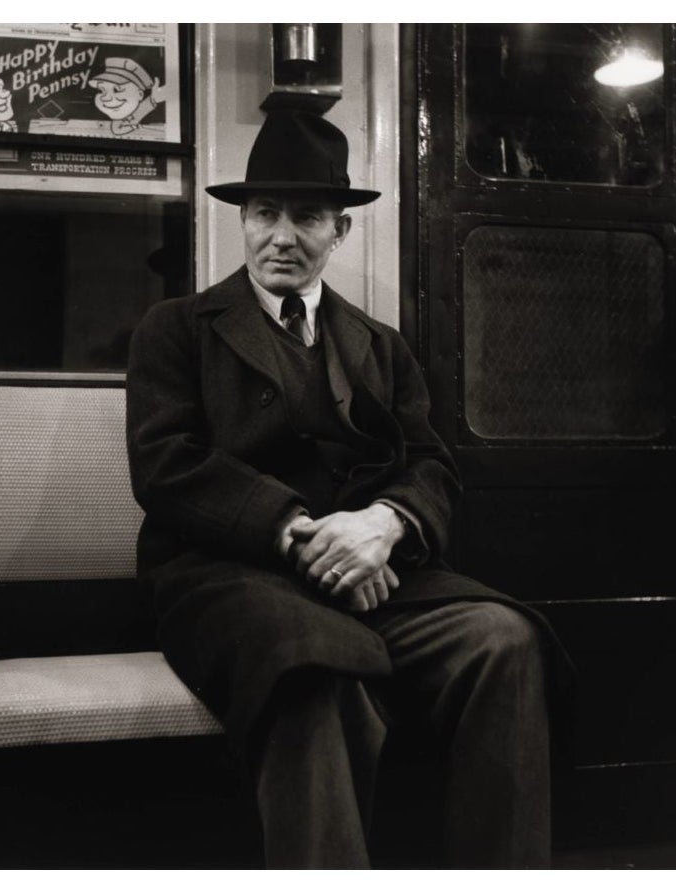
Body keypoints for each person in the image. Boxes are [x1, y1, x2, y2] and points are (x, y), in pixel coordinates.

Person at [126, 110, 571, 869]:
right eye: (265, 214)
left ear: (341, 232)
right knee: (312, 662)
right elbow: (165, 466)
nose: (282, 236)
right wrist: (299, 532)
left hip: (376, 578)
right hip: (230, 578)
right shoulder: (178, 329)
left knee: (503, 639)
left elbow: (430, 465)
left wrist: (383, 526)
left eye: (306, 217)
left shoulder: (379, 344)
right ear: (242, 221)